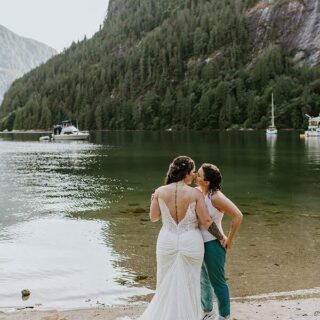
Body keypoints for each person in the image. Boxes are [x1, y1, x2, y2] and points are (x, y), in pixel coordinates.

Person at [139, 156, 226, 320]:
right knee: (191, 282)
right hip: (191, 242)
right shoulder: (195, 194)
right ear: (185, 173)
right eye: (193, 172)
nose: (194, 176)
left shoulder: (160, 191)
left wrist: (153, 200)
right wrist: (221, 237)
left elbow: (153, 217)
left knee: (165, 281)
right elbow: (207, 221)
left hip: (167, 241)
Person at [195, 163, 243, 320]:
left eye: (199, 175)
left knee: (218, 283)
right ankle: (208, 312)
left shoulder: (215, 197)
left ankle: (224, 316)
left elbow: (238, 216)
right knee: (204, 281)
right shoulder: (200, 192)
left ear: (207, 181)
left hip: (214, 244)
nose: (195, 175)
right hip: (200, 244)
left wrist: (230, 238)